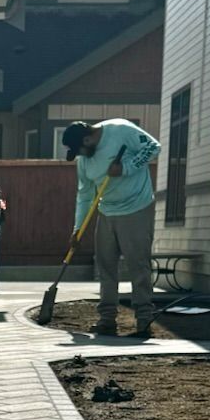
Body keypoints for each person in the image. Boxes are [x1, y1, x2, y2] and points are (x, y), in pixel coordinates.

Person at [63, 118, 161, 338]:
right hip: (106, 211)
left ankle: (144, 320)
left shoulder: (121, 130)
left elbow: (154, 147)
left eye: (79, 149)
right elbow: (85, 195)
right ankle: (107, 320)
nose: (79, 155)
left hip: (136, 208)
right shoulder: (84, 160)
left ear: (88, 138)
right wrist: (78, 228)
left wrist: (125, 168)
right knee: (106, 267)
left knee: (138, 266)